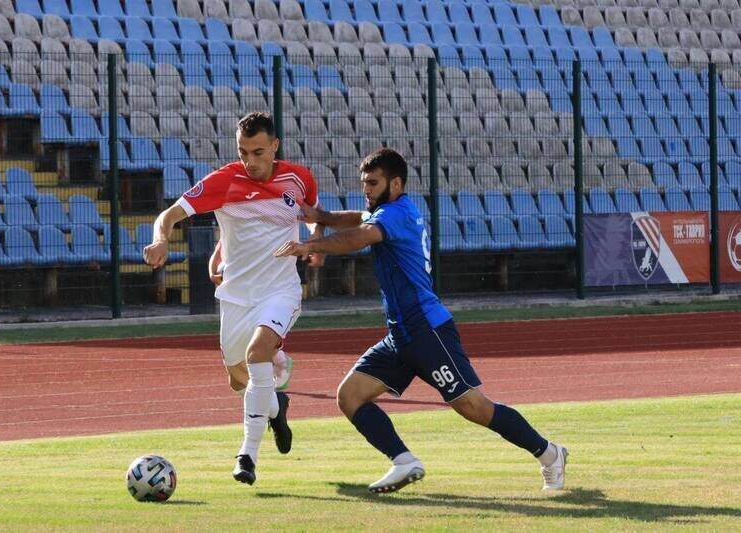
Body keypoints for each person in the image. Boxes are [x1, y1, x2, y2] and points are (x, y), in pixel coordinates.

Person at [275, 148, 567, 494]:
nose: (366, 189)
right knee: (350, 395)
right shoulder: (392, 211)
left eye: (373, 182)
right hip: (401, 335)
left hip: (428, 331)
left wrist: (311, 245)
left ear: (396, 183)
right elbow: (358, 219)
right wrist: (321, 215)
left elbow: (360, 235)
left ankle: (550, 454)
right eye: (364, 182)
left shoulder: (393, 215)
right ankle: (403, 462)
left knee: (473, 407)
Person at [144, 112, 323, 486]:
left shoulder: (299, 178)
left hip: (281, 291)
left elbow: (313, 215)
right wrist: (161, 239)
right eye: (244, 152)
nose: (251, 161)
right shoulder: (224, 181)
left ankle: (247, 455)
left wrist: (315, 243)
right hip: (237, 296)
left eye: (258, 152)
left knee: (259, 355)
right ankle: (277, 406)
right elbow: (170, 213)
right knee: (238, 378)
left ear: (274, 146)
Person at [209, 240, 295, 391]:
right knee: (236, 370)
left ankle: (280, 362)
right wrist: (212, 273)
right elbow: (216, 254)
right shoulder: (230, 234)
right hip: (237, 295)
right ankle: (268, 403)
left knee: (262, 336)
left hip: (263, 293)